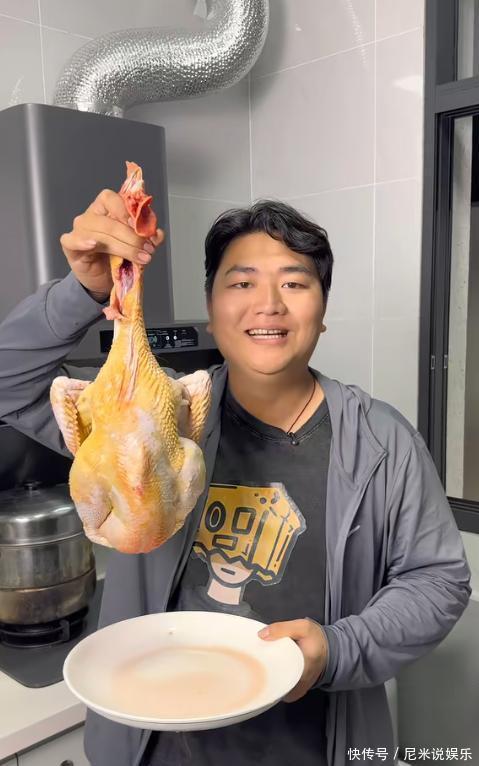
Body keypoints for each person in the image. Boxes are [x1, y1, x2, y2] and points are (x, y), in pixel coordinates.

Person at [0, 189, 471, 766]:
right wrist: (87, 290)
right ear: (211, 306)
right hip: (157, 749)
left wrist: (337, 650)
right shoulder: (153, 418)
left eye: (294, 283)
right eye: (242, 282)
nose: (268, 304)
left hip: (313, 745)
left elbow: (437, 581)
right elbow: (8, 382)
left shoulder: (382, 442)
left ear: (322, 312)